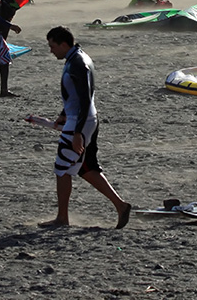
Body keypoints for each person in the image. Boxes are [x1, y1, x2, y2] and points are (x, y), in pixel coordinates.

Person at [39, 26, 132, 229]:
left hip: (80, 122)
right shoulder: (77, 58)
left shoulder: (78, 64)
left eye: (52, 46)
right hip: (84, 118)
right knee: (86, 167)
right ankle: (121, 206)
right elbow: (77, 96)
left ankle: (62, 218)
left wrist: (78, 132)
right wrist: (64, 113)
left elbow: (84, 97)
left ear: (64, 44)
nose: (51, 51)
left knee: (62, 169)